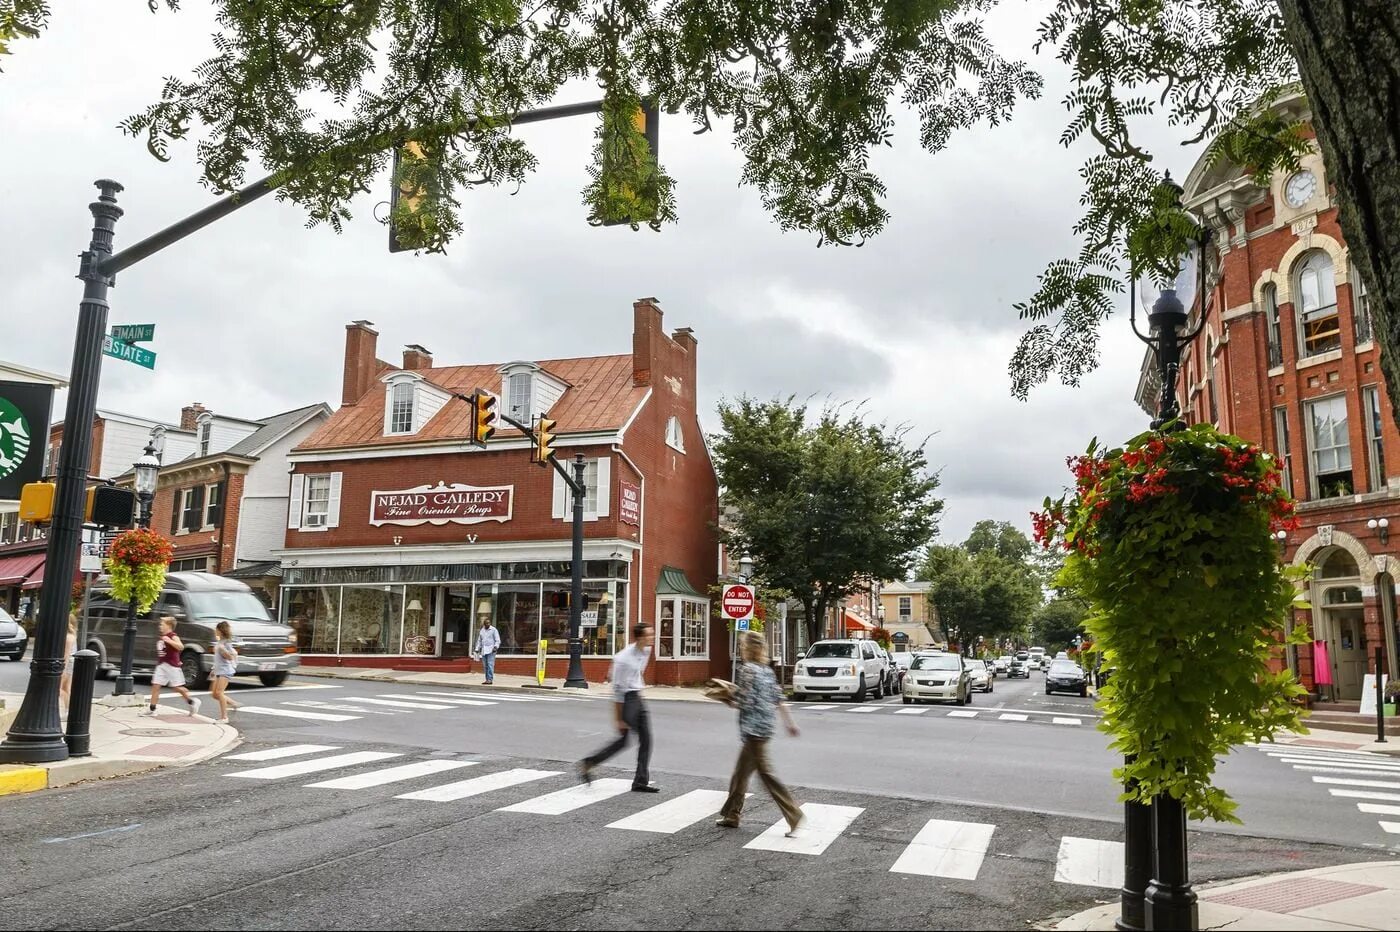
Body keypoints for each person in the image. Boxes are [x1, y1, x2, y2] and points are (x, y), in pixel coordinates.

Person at [716, 631, 804, 836]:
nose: (741, 649)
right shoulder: (767, 671)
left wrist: (727, 699)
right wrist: (790, 723)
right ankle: (732, 815)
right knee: (740, 774)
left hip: (753, 730)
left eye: (742, 645)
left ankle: (794, 814)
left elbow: (744, 700)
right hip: (765, 728)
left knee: (767, 775)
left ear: (748, 648)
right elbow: (779, 698)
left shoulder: (747, 670)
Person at [578, 623, 660, 793]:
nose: (652, 638)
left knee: (647, 739)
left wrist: (639, 692)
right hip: (626, 699)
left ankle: (640, 781)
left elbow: (638, 674)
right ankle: (589, 763)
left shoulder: (646, 650)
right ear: (639, 638)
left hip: (637, 696)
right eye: (648, 635)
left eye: (652, 634)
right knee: (623, 741)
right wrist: (619, 718)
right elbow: (617, 690)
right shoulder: (623, 659)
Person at [141, 616, 200, 717]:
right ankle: (152, 709)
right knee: (156, 686)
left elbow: (180, 646)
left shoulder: (173, 636)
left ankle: (192, 702)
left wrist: (168, 640)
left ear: (168, 626)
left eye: (162, 624)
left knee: (177, 688)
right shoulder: (163, 636)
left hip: (172, 666)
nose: (160, 626)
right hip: (161, 665)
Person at [210, 620, 241, 723]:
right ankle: (233, 703)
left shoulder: (227, 642)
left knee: (219, 693)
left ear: (220, 630)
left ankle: (224, 718)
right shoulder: (220, 641)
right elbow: (217, 657)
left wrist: (224, 651)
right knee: (214, 694)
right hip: (218, 670)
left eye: (216, 630)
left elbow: (230, 657)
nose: (215, 631)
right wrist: (213, 669)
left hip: (225, 670)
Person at [59, 615, 77, 712]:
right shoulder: (72, 636)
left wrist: (63, 670)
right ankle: (68, 710)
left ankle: (66, 710)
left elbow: (66, 655)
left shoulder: (68, 637)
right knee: (66, 688)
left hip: (67, 664)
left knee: (59, 688)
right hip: (71, 664)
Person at [474, 617, 501, 685]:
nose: (488, 624)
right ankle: (487, 679)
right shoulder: (482, 630)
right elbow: (479, 641)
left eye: (489, 623)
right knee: (485, 666)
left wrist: (495, 647)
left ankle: (490, 679)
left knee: (490, 665)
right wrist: (477, 649)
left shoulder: (494, 630)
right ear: (484, 624)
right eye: (486, 623)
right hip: (484, 650)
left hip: (491, 650)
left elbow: (498, 640)